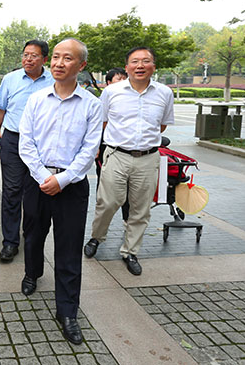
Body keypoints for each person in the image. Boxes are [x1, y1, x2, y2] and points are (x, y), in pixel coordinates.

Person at [18, 38, 102, 345]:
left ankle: (67, 311)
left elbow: (89, 149)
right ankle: (32, 272)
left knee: (68, 251)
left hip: (72, 187)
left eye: (67, 58)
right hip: (37, 182)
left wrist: (63, 179)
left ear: (81, 66)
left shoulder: (92, 105)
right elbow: (25, 143)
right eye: (55, 57)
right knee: (33, 235)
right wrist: (43, 176)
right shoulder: (37, 100)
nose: (58, 63)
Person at [84, 47, 174, 276]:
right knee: (108, 202)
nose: (140, 65)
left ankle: (130, 251)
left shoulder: (164, 93)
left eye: (146, 61)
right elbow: (101, 123)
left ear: (154, 66)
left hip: (148, 158)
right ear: (127, 67)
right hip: (116, 154)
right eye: (135, 61)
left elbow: (161, 125)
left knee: (140, 209)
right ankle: (97, 237)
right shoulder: (112, 92)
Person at [0, 40, 53, 262]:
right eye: (25, 55)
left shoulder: (54, 81)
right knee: (12, 191)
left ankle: (31, 234)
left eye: (34, 56)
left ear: (44, 59)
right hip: (14, 141)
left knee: (36, 193)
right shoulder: (11, 79)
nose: (28, 59)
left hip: (42, 144)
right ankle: (10, 242)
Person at [96, 67, 130, 221]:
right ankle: (101, 221)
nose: (123, 82)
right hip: (106, 148)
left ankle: (127, 219)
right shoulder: (103, 100)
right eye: (118, 79)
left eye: (125, 79)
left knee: (128, 186)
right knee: (104, 183)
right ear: (108, 83)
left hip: (126, 150)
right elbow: (96, 126)